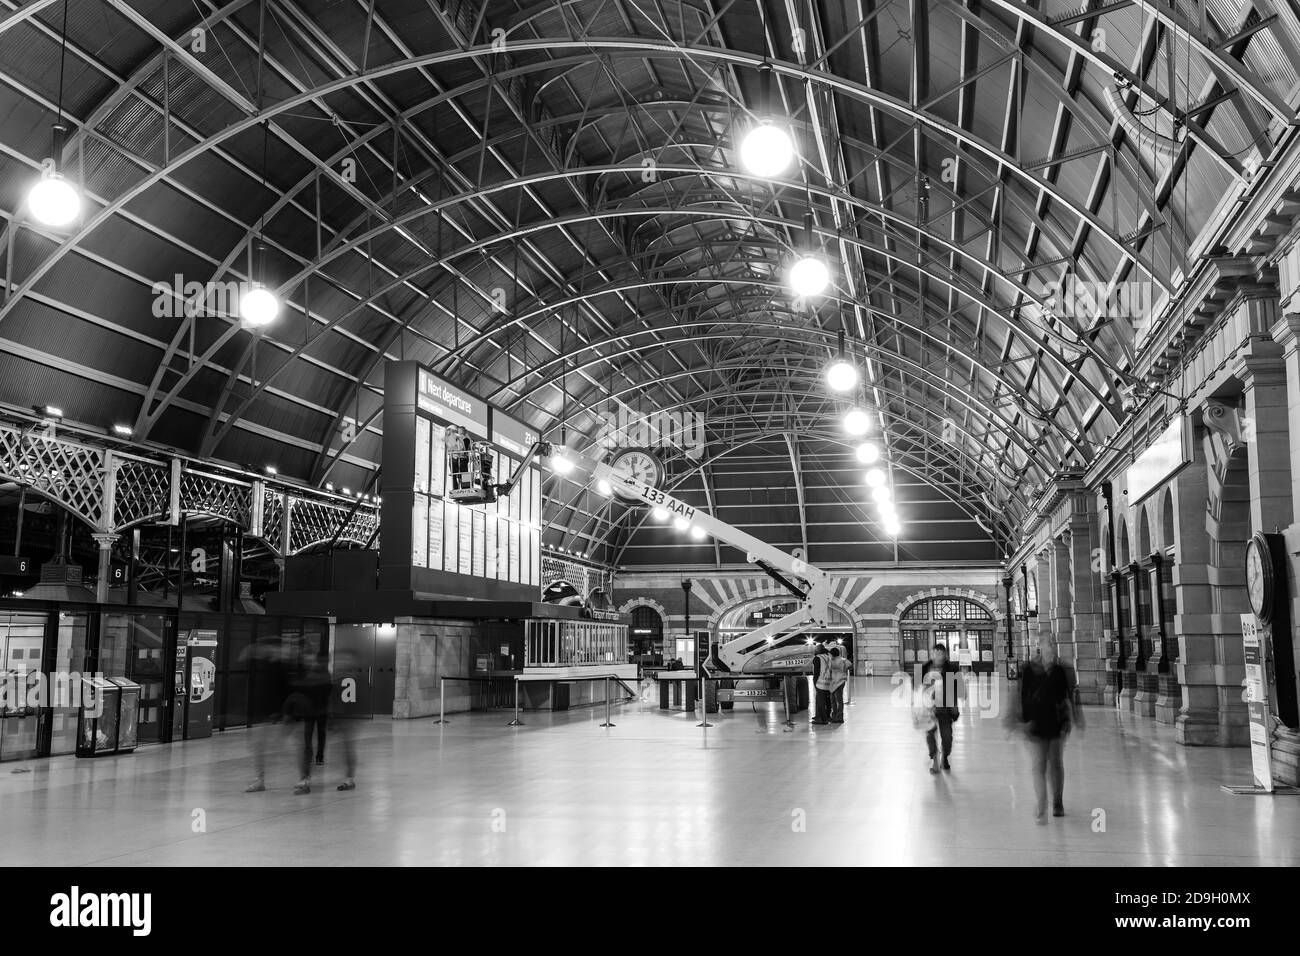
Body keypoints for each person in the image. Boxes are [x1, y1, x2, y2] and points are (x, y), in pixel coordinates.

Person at [1020, 636, 1074, 823]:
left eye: (1052, 644)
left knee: (1056, 763)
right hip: (1036, 724)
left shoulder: (1062, 670)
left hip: (1057, 723)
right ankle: (1042, 804)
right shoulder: (1028, 669)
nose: (1049, 647)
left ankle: (1057, 800)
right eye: (1046, 643)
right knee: (1038, 766)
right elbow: (1023, 696)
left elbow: (1068, 697)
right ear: (1039, 647)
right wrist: (1025, 721)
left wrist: (1070, 720)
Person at [921, 643, 961, 773]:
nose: (938, 656)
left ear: (945, 655)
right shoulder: (924, 668)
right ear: (931, 654)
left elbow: (957, 688)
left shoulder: (952, 669)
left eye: (940, 653)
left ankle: (945, 756)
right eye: (935, 653)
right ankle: (934, 760)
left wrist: (954, 706)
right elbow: (917, 687)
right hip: (928, 708)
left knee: (947, 736)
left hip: (945, 708)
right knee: (930, 735)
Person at [826, 645, 850, 723]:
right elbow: (850, 665)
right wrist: (844, 670)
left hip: (834, 682)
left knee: (834, 699)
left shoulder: (831, 661)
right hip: (841, 681)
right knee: (838, 699)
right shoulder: (843, 660)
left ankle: (836, 716)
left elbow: (828, 671)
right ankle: (838, 716)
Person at [811, 640, 832, 725]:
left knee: (820, 700)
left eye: (816, 649)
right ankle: (827, 716)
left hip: (820, 682)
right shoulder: (828, 657)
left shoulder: (817, 658)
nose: (815, 650)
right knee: (827, 700)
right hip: (828, 681)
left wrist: (814, 682)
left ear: (818, 650)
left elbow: (816, 672)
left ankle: (821, 719)